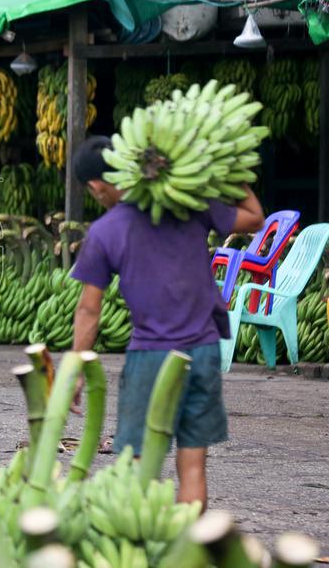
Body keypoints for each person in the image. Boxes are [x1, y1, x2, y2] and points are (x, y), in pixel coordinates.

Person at [68, 135, 264, 509]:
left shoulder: (105, 231)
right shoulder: (188, 204)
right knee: (193, 467)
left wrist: (77, 368)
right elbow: (255, 217)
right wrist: (229, 170)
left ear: (97, 186)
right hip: (203, 351)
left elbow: (89, 310)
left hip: (150, 357)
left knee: (139, 464)